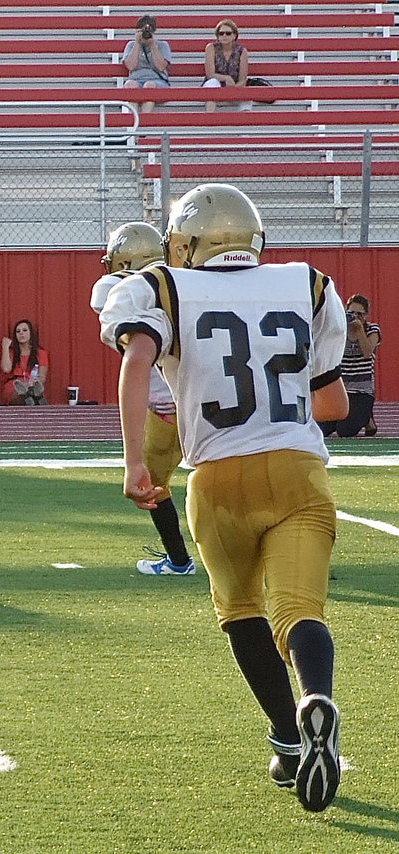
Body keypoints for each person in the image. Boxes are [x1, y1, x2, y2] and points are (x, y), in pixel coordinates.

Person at [99, 183, 348, 813]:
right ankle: (315, 693)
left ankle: (289, 741)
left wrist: (133, 459)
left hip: (216, 475)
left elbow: (136, 362)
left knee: (241, 611)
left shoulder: (162, 285)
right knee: (299, 611)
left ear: (186, 243)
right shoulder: (307, 283)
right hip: (297, 469)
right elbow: (333, 404)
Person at [91, 221, 196, 575]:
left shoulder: (118, 288)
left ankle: (180, 561)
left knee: (153, 486)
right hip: (201, 403)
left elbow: (101, 294)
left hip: (167, 413)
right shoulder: (183, 284)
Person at [319, 294, 381, 438]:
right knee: (322, 429)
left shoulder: (372, 330)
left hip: (361, 391)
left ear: (366, 315)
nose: (355, 317)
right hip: (342, 390)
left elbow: (367, 352)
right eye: (351, 313)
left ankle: (367, 417)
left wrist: (359, 330)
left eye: (360, 314)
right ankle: (354, 418)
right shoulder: (340, 330)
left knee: (345, 431)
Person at [122, 14, 171, 113]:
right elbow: (130, 66)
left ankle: (144, 120)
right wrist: (137, 43)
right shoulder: (131, 45)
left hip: (157, 81)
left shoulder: (162, 45)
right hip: (136, 80)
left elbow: (161, 67)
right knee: (130, 85)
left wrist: (152, 44)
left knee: (149, 86)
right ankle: (133, 120)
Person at [203, 19, 249, 113]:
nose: (224, 36)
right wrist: (226, 78)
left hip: (234, 86)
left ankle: (245, 122)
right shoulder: (211, 48)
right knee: (212, 82)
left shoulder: (241, 51)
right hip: (216, 84)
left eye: (228, 33)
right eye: (221, 33)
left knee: (247, 94)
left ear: (234, 36)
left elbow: (243, 79)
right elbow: (210, 74)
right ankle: (209, 118)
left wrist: (233, 89)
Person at [0, 319, 48, 405]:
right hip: (15, 384)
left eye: (25, 330)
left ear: (31, 333)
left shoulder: (40, 353)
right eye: (18, 331)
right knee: (18, 391)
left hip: (32, 383)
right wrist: (5, 347)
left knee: (35, 389)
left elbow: (42, 377)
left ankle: (31, 397)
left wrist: (31, 384)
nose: (21, 333)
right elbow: (6, 369)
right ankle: (29, 398)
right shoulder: (11, 352)